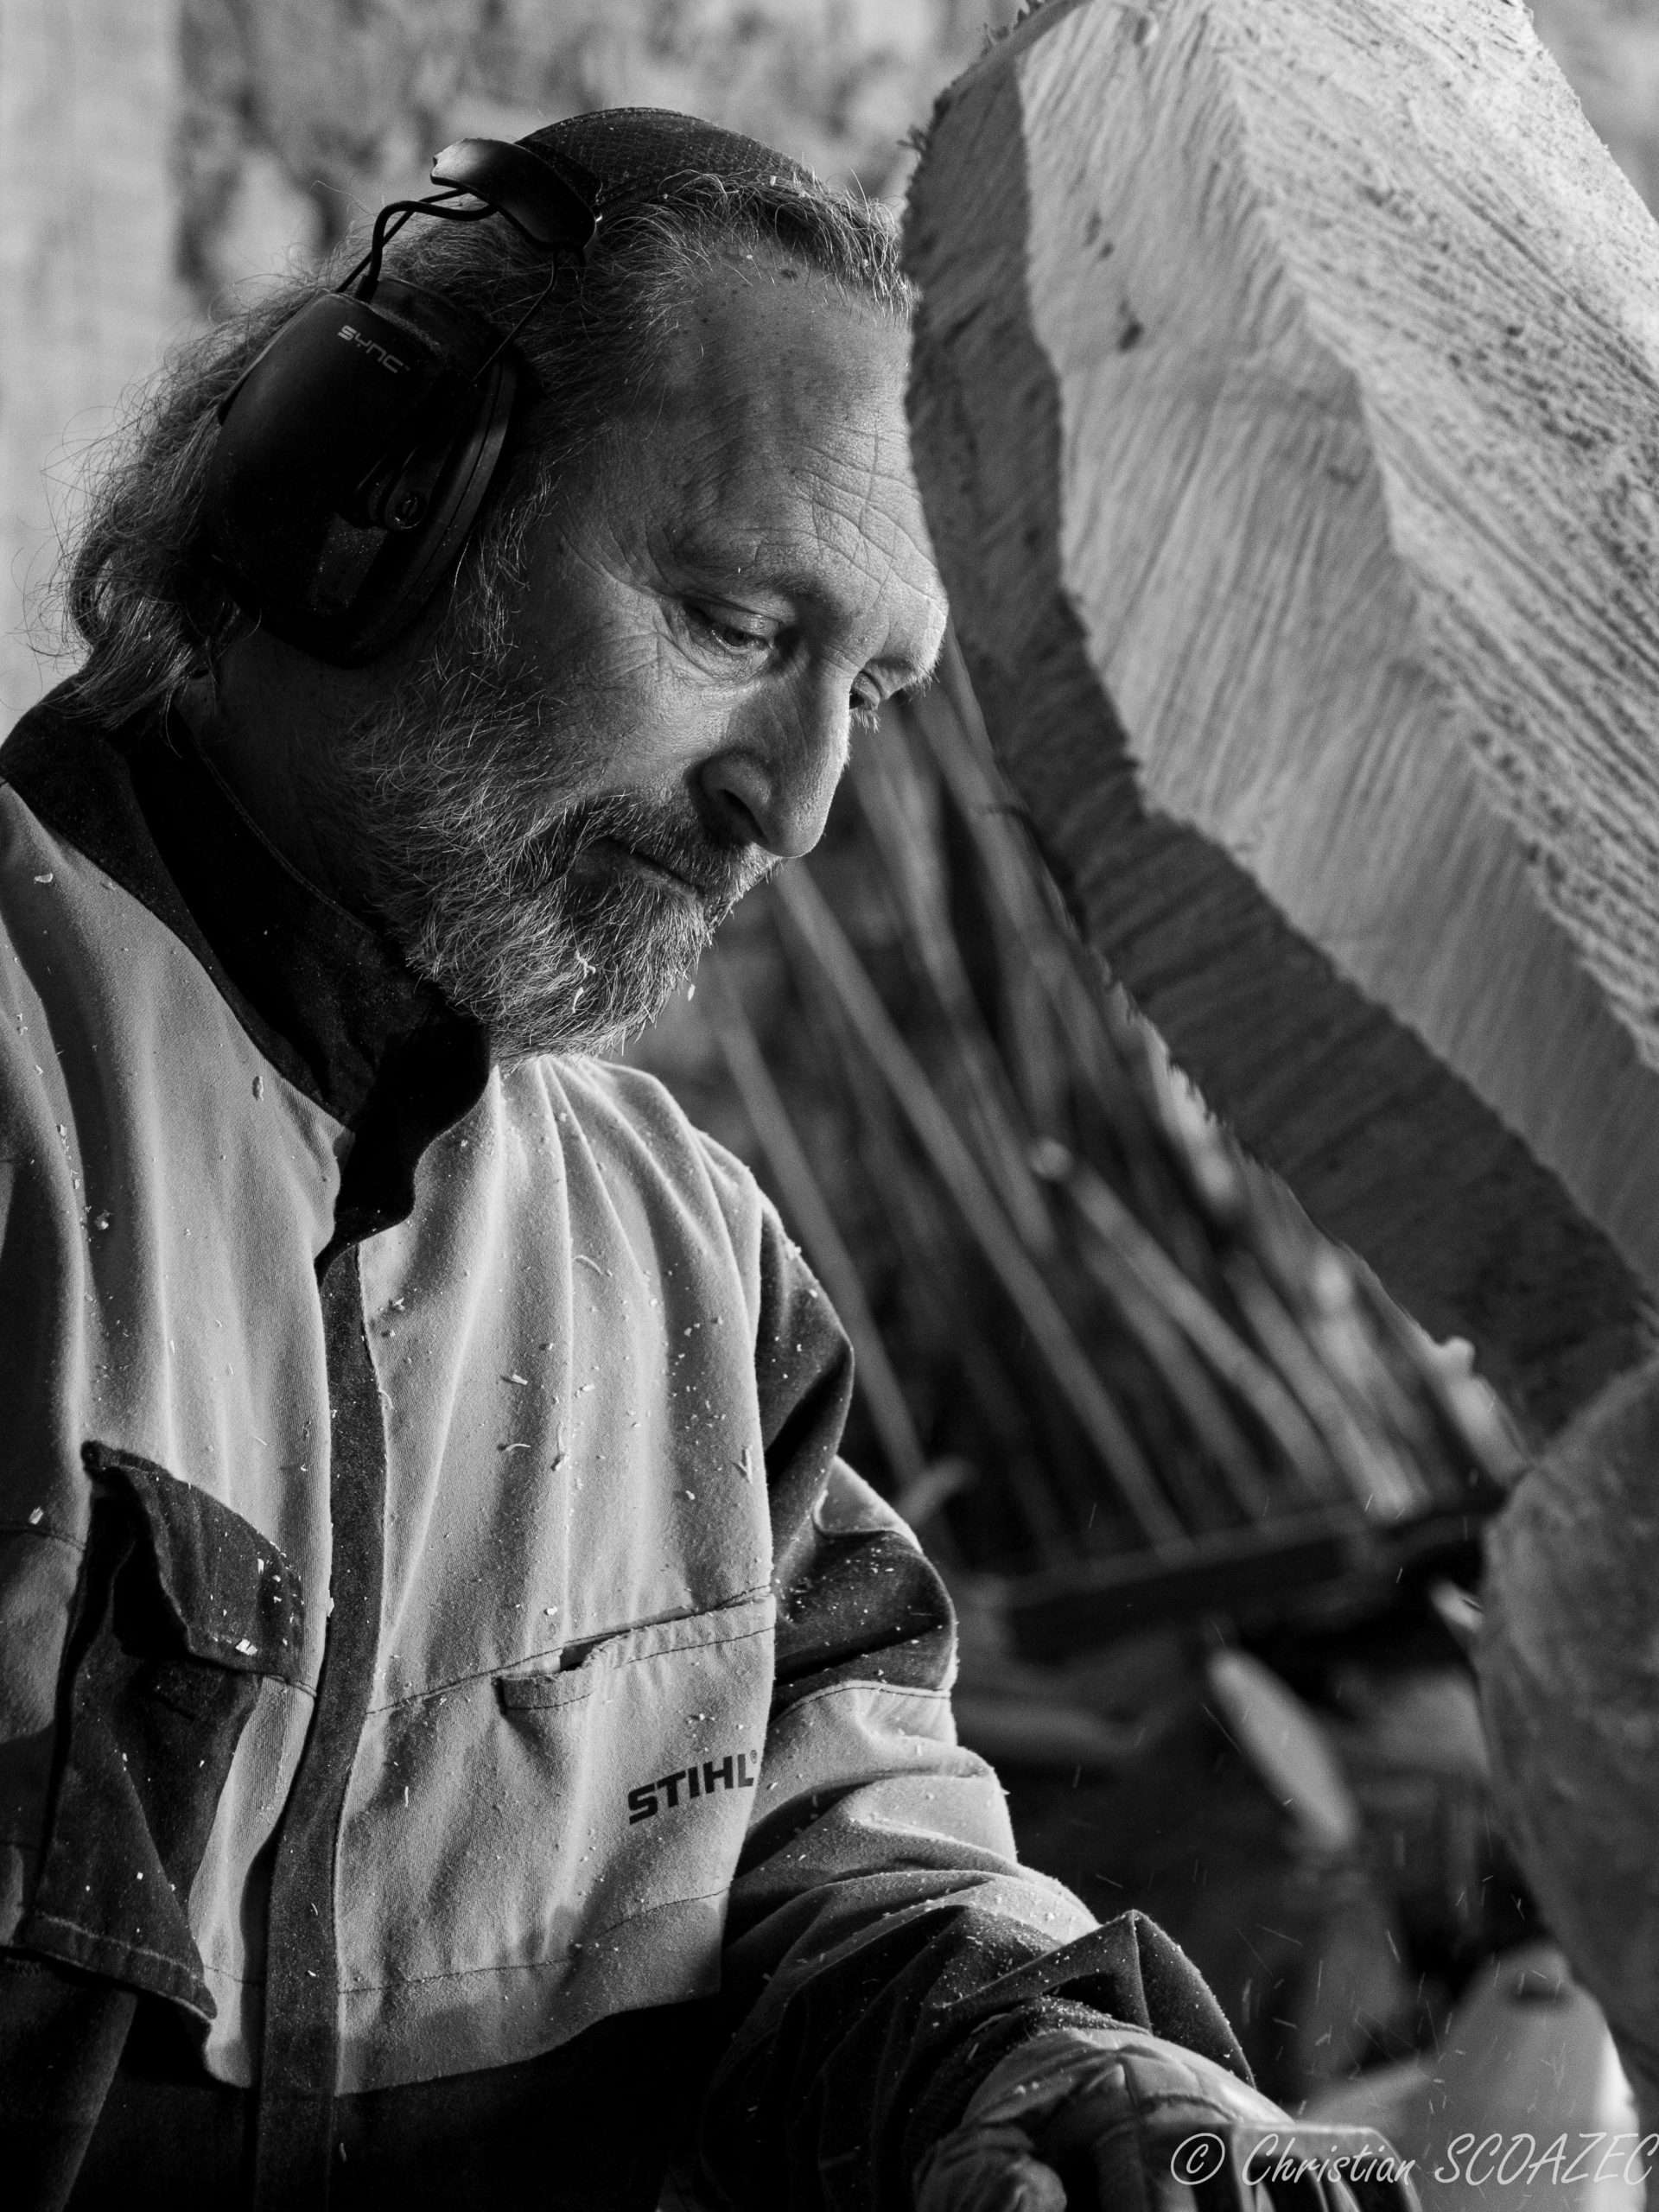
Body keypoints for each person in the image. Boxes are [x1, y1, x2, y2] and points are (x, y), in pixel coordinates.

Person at [0, 109, 1302, 2212]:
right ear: (364, 503)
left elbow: (829, 1817)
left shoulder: (691, 1264)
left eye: (875, 689)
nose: (800, 803)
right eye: (737, 623)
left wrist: (1036, 2058)